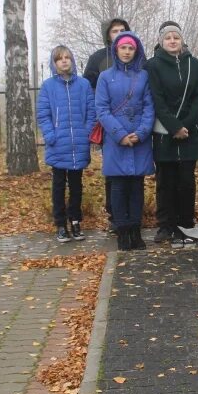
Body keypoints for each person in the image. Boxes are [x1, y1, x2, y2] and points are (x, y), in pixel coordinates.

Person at [146, 21, 198, 246]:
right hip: (164, 133)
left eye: (176, 38)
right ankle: (166, 226)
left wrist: (185, 126)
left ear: (182, 41)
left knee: (186, 182)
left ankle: (186, 226)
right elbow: (157, 99)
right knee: (166, 181)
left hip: (189, 133)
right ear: (162, 41)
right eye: (168, 38)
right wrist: (174, 127)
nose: (172, 41)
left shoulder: (194, 65)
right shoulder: (153, 65)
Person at [96, 32, 155, 251]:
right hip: (115, 139)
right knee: (119, 187)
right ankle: (122, 231)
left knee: (137, 186)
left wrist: (141, 132)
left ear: (136, 51)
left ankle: (135, 230)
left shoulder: (144, 76)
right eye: (123, 48)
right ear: (116, 50)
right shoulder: (105, 77)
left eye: (131, 48)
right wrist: (120, 134)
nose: (127, 52)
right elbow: (101, 109)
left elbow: (149, 107)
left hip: (139, 138)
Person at [36, 45, 95, 243]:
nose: (64, 61)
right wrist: (50, 135)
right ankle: (60, 224)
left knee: (77, 185)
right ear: (54, 63)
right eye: (59, 58)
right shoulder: (48, 86)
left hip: (78, 144)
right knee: (59, 186)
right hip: (58, 144)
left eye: (67, 57)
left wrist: (86, 134)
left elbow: (91, 111)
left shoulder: (84, 85)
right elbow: (43, 114)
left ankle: (76, 221)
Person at [82, 16, 131, 233]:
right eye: (114, 31)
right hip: (108, 124)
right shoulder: (98, 59)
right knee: (113, 172)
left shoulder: (137, 56)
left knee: (133, 170)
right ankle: (114, 215)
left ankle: (132, 213)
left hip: (133, 123)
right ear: (108, 35)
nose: (119, 34)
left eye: (123, 30)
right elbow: (89, 88)